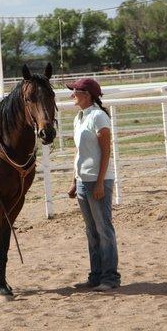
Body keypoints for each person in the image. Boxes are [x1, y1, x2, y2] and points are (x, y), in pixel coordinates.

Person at [66, 78, 121, 291]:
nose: (72, 95)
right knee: (91, 230)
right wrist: (74, 180)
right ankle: (96, 275)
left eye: (75, 92)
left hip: (98, 181)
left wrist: (99, 182)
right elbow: (79, 153)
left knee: (103, 228)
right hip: (82, 181)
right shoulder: (80, 118)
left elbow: (106, 151)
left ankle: (110, 277)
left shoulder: (98, 117)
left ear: (87, 95)